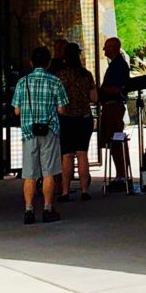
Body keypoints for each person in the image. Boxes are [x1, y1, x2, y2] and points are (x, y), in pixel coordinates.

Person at [12, 46, 68, 224]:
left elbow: (16, 111)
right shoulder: (55, 81)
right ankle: (47, 208)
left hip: (29, 132)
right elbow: (61, 109)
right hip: (49, 131)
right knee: (48, 172)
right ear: (49, 63)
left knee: (29, 174)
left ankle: (29, 210)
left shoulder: (22, 82)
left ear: (31, 63)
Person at [56, 42, 97, 202]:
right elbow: (94, 97)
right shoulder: (86, 75)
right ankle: (85, 190)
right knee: (82, 154)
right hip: (84, 118)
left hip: (66, 119)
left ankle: (65, 191)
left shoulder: (60, 76)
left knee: (66, 156)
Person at [99, 38, 130, 191]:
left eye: (107, 48)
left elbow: (117, 89)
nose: (104, 51)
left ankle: (121, 175)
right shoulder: (116, 64)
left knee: (115, 139)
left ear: (115, 48)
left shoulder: (118, 66)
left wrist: (100, 90)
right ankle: (121, 173)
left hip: (113, 107)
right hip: (111, 106)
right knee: (114, 140)